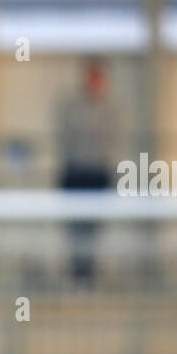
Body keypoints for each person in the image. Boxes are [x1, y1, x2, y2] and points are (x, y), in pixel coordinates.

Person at [56, 58, 119, 285]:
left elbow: (108, 139)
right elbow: (69, 136)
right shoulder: (72, 107)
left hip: (97, 174)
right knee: (75, 227)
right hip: (75, 174)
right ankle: (77, 272)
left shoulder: (109, 109)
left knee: (94, 227)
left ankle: (89, 273)